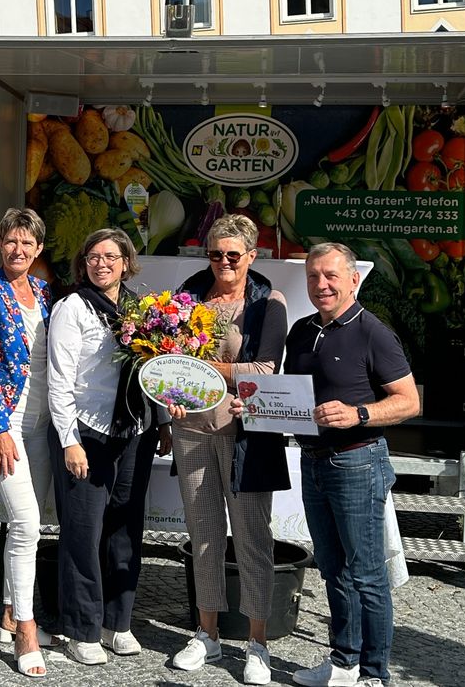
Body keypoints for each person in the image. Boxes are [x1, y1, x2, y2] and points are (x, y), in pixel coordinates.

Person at [286, 243, 420, 687]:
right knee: (332, 569)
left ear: (353, 280)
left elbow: (409, 402)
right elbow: (292, 397)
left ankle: (374, 675)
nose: (321, 285)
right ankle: (344, 664)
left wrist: (360, 413)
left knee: (366, 575)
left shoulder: (372, 332)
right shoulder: (301, 332)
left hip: (357, 462)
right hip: (314, 462)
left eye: (330, 276)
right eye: (313, 277)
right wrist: (253, 407)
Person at [167, 214, 290, 685]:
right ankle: (207, 634)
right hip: (193, 430)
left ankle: (257, 643)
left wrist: (199, 370)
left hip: (246, 434)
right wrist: (172, 395)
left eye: (232, 255)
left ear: (251, 257)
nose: (222, 262)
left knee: (253, 540)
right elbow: (165, 360)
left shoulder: (268, 302)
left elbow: (266, 368)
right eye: (214, 254)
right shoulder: (190, 293)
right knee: (203, 536)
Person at [47, 228, 172, 666]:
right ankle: (81, 628)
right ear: (83, 263)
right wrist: (69, 441)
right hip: (87, 432)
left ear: (126, 262)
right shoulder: (71, 308)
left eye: (111, 256)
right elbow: (59, 381)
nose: (102, 263)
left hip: (134, 431)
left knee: (125, 529)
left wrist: (163, 422)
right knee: (83, 535)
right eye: (93, 256)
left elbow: (153, 371)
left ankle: (117, 623)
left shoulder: (141, 309)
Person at [0, 207, 57, 678]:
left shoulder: (43, 292)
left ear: (38, 249)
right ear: (0, 244)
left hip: (40, 418)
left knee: (27, 523)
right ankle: (25, 627)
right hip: (3, 417)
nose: (18, 250)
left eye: (27, 243)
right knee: (26, 522)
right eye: (10, 241)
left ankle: (5, 611)